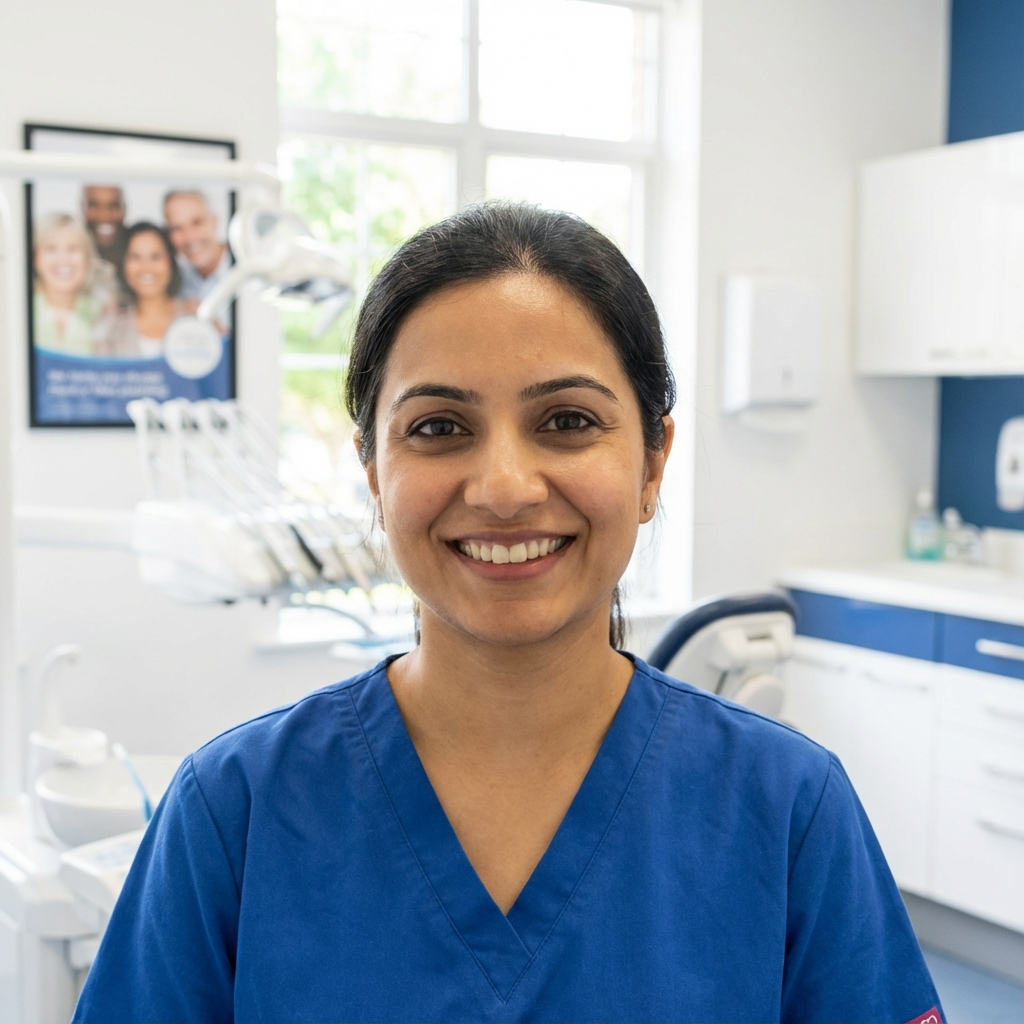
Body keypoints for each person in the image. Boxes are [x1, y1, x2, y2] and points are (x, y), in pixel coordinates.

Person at [73, 204, 944, 1024]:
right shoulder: (234, 813)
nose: (503, 489)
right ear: (374, 472)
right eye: (439, 428)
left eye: (566, 420)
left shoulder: (788, 809)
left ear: (651, 462)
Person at [31, 212, 113, 356]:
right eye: (51, 249)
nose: (63, 259)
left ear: (86, 259)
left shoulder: (102, 314)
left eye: (72, 249)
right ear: (35, 259)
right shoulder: (17, 310)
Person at [99, 222, 185, 358]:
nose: (146, 267)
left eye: (155, 257)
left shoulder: (195, 319)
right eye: (135, 257)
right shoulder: (111, 323)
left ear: (171, 262)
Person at [163, 188, 231, 303]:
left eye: (197, 222)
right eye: (177, 228)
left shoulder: (248, 270)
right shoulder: (174, 281)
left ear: (214, 222)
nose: (189, 237)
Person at [81, 184, 129, 268]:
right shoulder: (70, 252)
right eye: (94, 205)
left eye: (113, 205)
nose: (104, 215)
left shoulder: (137, 246)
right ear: (83, 208)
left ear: (124, 208)